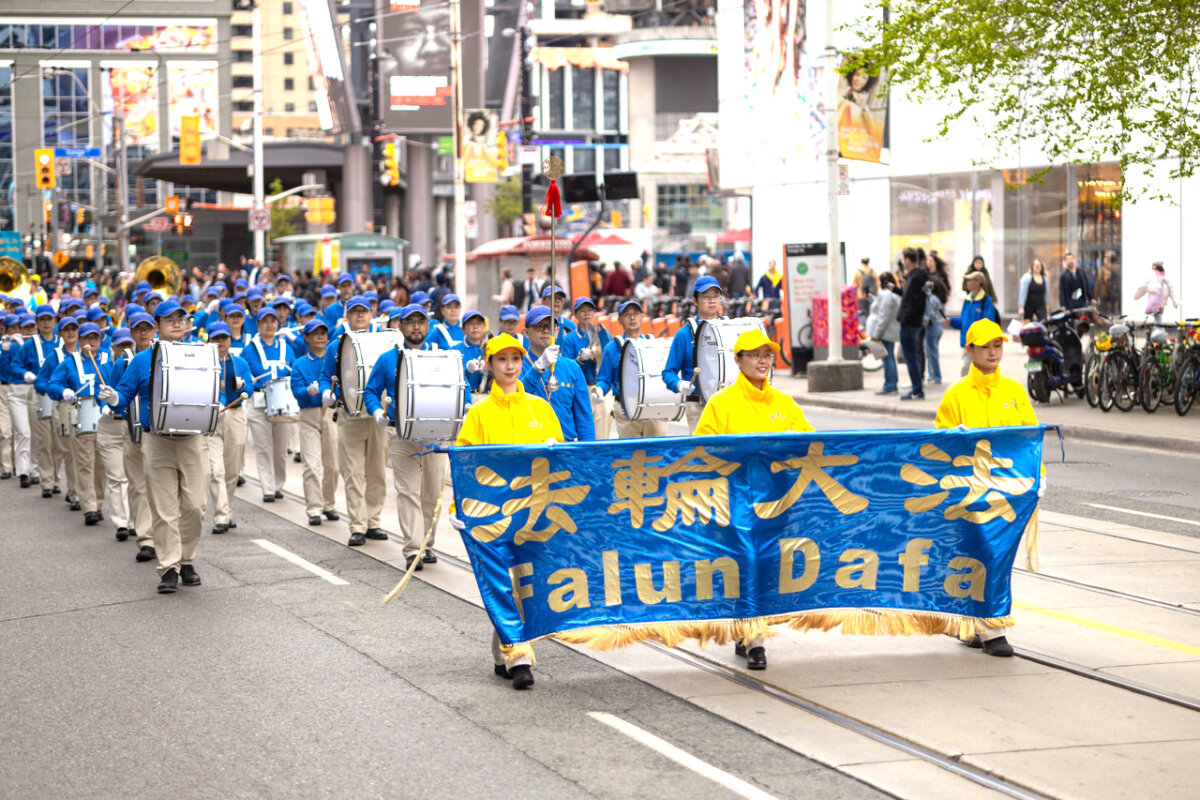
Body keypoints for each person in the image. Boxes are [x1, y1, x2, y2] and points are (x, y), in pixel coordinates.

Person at [448, 333, 564, 690]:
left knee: (527, 583)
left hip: (535, 513)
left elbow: (562, 458)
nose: (510, 366)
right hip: (492, 515)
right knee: (502, 584)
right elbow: (465, 462)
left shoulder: (541, 408)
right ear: (490, 365)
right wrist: (458, 506)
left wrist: (554, 449)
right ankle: (519, 656)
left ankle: (506, 652)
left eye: (515, 359)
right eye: (502, 360)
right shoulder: (479, 414)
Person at [695, 327, 814, 670]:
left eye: (768, 355)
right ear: (738, 360)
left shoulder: (784, 403)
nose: (764, 361)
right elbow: (701, 454)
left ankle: (746, 631)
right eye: (755, 355)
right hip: (735, 504)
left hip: (776, 505)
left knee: (766, 567)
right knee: (747, 565)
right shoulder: (721, 404)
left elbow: (812, 443)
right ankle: (755, 639)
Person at [933, 318, 1042, 657]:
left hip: (1007, 492)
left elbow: (1030, 439)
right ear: (970, 350)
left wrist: (1038, 476)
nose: (993, 352)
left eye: (997, 346)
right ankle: (988, 628)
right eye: (985, 347)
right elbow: (938, 445)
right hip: (970, 493)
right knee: (976, 556)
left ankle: (982, 626)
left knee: (996, 556)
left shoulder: (1013, 391)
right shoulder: (956, 394)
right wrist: (955, 439)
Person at [103, 300, 211, 594]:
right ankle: (169, 567)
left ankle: (187, 559)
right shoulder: (141, 360)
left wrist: (222, 400)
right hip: (157, 441)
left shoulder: (199, 354)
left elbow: (215, 389)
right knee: (163, 510)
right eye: (169, 320)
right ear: (157, 326)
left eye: (181, 318)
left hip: (192, 440)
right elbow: (124, 395)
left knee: (195, 507)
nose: (177, 323)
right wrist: (113, 399)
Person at [364, 303, 448, 568]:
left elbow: (462, 387)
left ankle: (427, 544)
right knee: (408, 491)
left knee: (432, 494)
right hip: (401, 433)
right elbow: (370, 390)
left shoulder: (441, 356)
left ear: (428, 326)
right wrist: (376, 410)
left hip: (435, 435)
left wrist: (464, 404)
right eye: (410, 322)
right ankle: (413, 549)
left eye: (420, 322)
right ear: (399, 326)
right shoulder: (388, 358)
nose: (415, 327)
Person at [319, 297, 388, 547]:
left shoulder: (382, 342)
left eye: (364, 312)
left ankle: (374, 521)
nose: (360, 316)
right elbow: (327, 375)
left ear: (372, 314)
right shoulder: (336, 345)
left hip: (378, 414)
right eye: (355, 312)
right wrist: (327, 392)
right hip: (350, 414)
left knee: (378, 471)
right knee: (353, 472)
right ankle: (357, 524)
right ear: (347, 315)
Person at [47, 322, 111, 526]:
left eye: (95, 338)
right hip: (81, 416)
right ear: (80, 340)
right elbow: (52, 383)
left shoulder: (108, 360)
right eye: (86, 338)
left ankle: (98, 502)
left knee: (101, 465)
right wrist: (63, 391)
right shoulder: (69, 362)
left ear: (100, 340)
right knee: (84, 463)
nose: (91, 342)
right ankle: (89, 507)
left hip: (105, 417)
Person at [113, 313, 156, 560]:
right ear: (131, 333)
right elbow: (116, 397)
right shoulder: (123, 363)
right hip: (132, 430)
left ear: (154, 330)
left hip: (159, 431)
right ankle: (146, 539)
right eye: (138, 329)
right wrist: (113, 399)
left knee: (162, 487)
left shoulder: (163, 356)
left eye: (147, 329)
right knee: (139, 486)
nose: (143, 333)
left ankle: (164, 535)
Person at [290, 318, 340, 527]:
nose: (320, 336)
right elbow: (297, 392)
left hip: (330, 414)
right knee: (312, 464)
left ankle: (328, 503)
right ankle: (314, 508)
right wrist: (308, 391)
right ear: (307, 337)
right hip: (309, 415)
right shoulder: (300, 363)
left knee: (333, 465)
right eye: (315, 333)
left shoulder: (333, 359)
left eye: (323, 332)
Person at [520, 306, 594, 442]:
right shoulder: (516, 364)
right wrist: (538, 367)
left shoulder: (572, 368)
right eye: (539, 326)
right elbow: (515, 398)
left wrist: (587, 455)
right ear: (526, 332)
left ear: (558, 331)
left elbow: (584, 418)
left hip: (565, 446)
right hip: (530, 447)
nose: (546, 330)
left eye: (551, 326)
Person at [205, 322, 252, 535]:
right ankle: (221, 516)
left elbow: (250, 387)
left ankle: (227, 509)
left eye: (223, 338)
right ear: (209, 340)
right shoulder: (204, 363)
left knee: (232, 471)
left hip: (235, 414)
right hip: (212, 418)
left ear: (230, 340)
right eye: (215, 338)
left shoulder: (240, 362)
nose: (220, 342)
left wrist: (242, 385)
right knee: (216, 470)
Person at [596, 300, 668, 438]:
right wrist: (599, 390)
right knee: (631, 456)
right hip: (625, 408)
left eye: (635, 314)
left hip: (652, 405)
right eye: (627, 315)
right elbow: (604, 379)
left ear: (642, 317)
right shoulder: (612, 348)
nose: (632, 317)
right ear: (619, 320)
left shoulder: (652, 344)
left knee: (657, 452)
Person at [662, 275, 725, 430]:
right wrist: (679, 384)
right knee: (702, 453)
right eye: (706, 296)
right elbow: (668, 372)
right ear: (695, 300)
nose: (712, 300)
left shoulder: (728, 328)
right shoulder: (684, 334)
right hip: (697, 405)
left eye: (715, 296)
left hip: (727, 404)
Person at [243, 306, 292, 503]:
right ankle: (268, 488)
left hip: (281, 400)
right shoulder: (249, 350)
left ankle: (278, 483)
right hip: (258, 402)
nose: (270, 325)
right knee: (263, 447)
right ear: (258, 324)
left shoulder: (286, 346)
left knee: (280, 449)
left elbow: (293, 371)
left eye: (273, 321)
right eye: (265, 321)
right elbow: (245, 375)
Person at [13, 305, 61, 496]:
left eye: (49, 319)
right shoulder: (30, 344)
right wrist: (25, 374)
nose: (46, 323)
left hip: (58, 397)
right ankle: (47, 481)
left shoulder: (62, 342)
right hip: (37, 396)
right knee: (43, 441)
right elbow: (15, 365)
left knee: (58, 441)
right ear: (37, 323)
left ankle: (57, 478)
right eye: (42, 320)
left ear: (55, 321)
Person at [561, 297, 613, 439]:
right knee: (582, 431)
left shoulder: (604, 335)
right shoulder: (570, 338)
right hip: (580, 388)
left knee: (602, 433)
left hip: (600, 387)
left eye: (590, 310)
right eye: (582, 311)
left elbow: (611, 363)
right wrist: (580, 360)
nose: (586, 314)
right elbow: (566, 369)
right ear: (575, 315)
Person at [897, 248, 928, 400]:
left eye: (903, 259)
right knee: (911, 357)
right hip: (911, 322)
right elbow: (908, 296)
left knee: (911, 358)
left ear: (908, 259)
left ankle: (917, 390)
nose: (902, 262)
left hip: (910, 323)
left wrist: (904, 318)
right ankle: (917, 388)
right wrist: (897, 289)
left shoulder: (916, 277)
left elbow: (914, 302)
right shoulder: (914, 276)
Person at [953, 271, 998, 377]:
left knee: (975, 369)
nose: (967, 283)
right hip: (967, 342)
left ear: (978, 282)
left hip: (979, 342)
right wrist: (952, 321)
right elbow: (963, 321)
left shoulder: (986, 300)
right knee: (966, 368)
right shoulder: (967, 300)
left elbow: (987, 323)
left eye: (970, 280)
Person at [866, 272, 901, 395]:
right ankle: (891, 384)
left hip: (884, 333)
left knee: (887, 359)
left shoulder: (887, 295)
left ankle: (890, 385)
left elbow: (883, 316)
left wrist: (876, 334)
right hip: (887, 331)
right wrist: (873, 299)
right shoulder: (891, 295)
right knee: (888, 357)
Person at [923, 254, 948, 386]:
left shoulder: (932, 298)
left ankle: (935, 376)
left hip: (932, 326)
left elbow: (929, 314)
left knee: (931, 352)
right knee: (932, 351)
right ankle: (933, 375)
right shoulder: (938, 298)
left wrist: (924, 322)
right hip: (938, 325)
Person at [454, 310, 489, 401]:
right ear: (463, 329)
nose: (475, 327)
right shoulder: (455, 350)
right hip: (464, 397)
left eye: (479, 323)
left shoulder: (492, 347)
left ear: (484, 327)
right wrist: (468, 371)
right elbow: (453, 378)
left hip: (488, 397)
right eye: (471, 323)